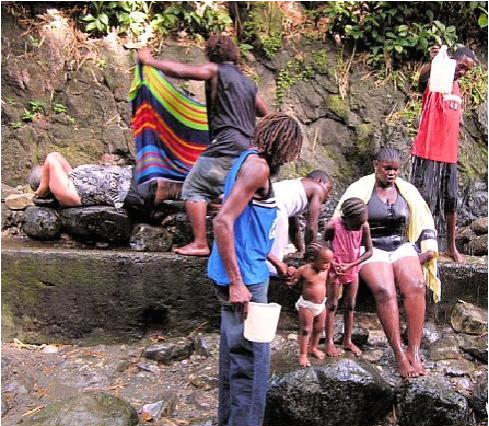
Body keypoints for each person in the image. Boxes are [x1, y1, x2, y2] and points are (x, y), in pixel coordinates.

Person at [208, 113, 303, 426]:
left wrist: (276, 260)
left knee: (232, 352)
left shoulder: (245, 162)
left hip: (247, 269)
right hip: (244, 280)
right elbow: (223, 222)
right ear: (282, 145)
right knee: (252, 360)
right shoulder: (258, 168)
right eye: (292, 151)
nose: (291, 159)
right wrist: (238, 283)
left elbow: (248, 226)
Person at [138, 34, 268, 256]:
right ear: (234, 54)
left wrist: (149, 61)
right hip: (247, 150)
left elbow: (182, 71)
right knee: (227, 191)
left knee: (194, 188)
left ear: (211, 53)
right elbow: (264, 112)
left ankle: (200, 243)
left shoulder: (215, 71)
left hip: (225, 145)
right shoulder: (248, 83)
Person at [334, 147, 440, 378]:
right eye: (387, 168)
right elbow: (339, 221)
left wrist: (429, 249)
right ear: (376, 166)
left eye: (395, 169)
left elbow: (425, 218)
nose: (392, 173)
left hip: (401, 244)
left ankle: (414, 351)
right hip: (371, 247)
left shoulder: (407, 191)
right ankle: (399, 354)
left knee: (417, 286)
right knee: (385, 291)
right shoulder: (360, 189)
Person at [411, 46, 477, 263]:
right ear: (451, 61)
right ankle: (418, 243)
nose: (462, 73)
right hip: (427, 150)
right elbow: (422, 81)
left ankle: (451, 247)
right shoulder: (437, 78)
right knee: (424, 199)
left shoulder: (456, 87)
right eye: (461, 67)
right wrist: (434, 63)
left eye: (467, 71)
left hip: (449, 155)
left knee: (451, 201)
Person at [30, 152, 180, 209]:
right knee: (172, 185)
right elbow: (51, 157)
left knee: (178, 173)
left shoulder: (70, 177)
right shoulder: (63, 193)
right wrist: (43, 188)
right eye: (46, 171)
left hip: (130, 175)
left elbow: (56, 157)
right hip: (131, 190)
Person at [323, 198, 373, 357]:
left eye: (361, 223)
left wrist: (351, 265)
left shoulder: (363, 226)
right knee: (331, 305)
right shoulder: (333, 225)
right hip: (335, 269)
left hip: (352, 269)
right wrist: (332, 261)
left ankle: (347, 340)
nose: (359, 227)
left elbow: (369, 252)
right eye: (356, 224)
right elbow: (322, 246)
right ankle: (329, 342)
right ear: (347, 218)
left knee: (350, 305)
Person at [267, 170, 333, 275]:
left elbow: (293, 225)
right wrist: (311, 255)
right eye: (328, 190)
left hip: (265, 202)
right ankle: (273, 275)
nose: (328, 196)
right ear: (319, 181)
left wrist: (300, 249)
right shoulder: (318, 189)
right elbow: (311, 226)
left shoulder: (295, 187)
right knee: (276, 255)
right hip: (277, 208)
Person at [286, 242, 333, 368]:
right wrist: (291, 278)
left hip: (321, 304)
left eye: (329, 262)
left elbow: (330, 278)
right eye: (324, 262)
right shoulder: (304, 270)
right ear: (313, 259)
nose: (327, 265)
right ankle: (302, 353)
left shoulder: (327, 268)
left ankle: (313, 347)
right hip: (307, 305)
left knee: (319, 328)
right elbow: (293, 281)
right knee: (306, 329)